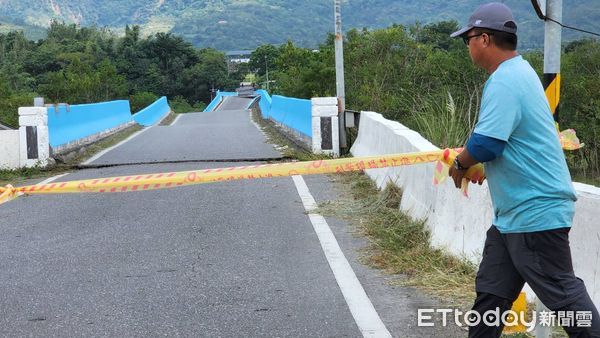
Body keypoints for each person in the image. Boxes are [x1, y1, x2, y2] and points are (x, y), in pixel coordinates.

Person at [448, 3, 600, 337]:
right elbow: (505, 145)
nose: (468, 45)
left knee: (566, 298)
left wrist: (461, 163)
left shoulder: (505, 81)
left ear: (484, 39)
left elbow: (487, 144)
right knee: (491, 295)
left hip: (534, 212)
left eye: (468, 39)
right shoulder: (518, 73)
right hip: (512, 217)